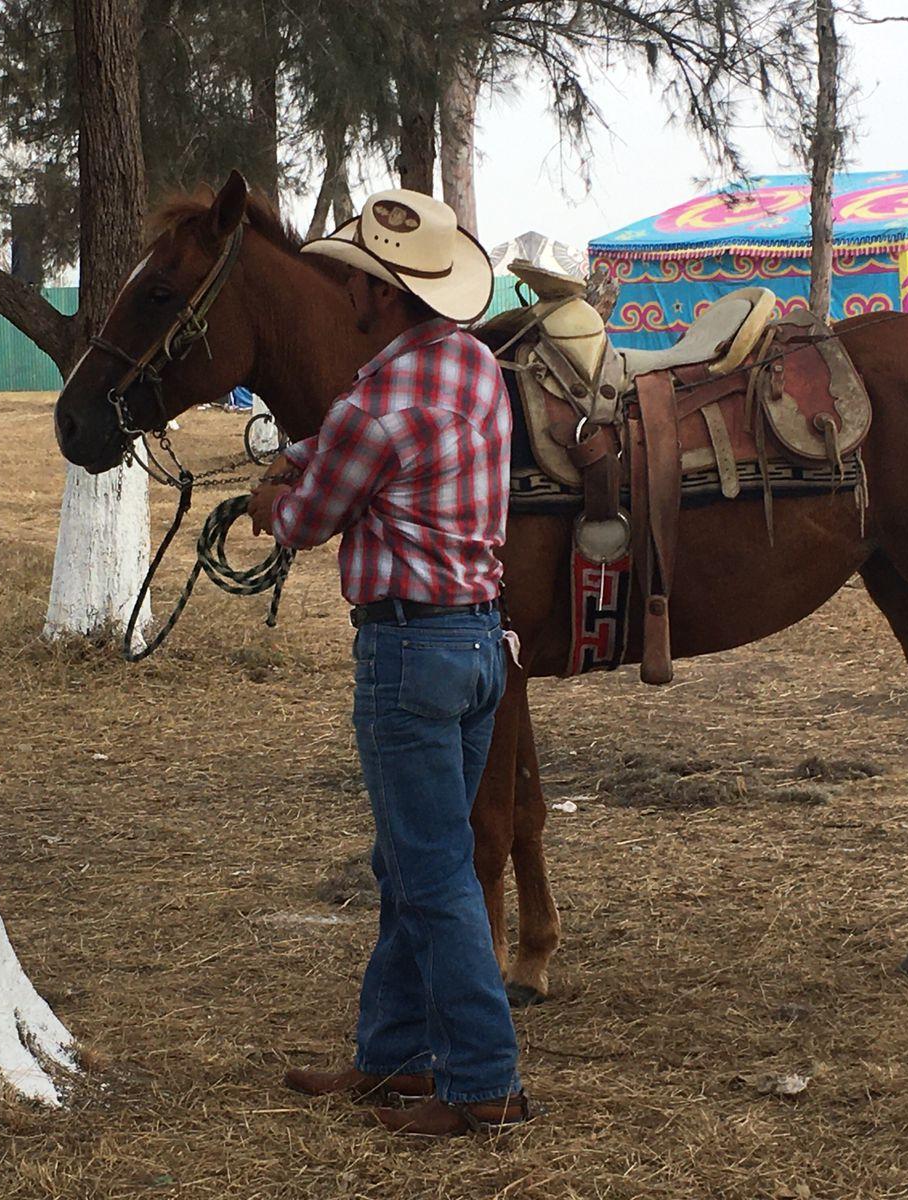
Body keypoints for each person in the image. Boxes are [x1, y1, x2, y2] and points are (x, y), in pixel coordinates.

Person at [247, 189, 528, 1137]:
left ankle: (483, 1079)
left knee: (432, 869)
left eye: (360, 278)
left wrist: (265, 499)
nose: (350, 290)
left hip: (407, 650)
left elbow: (308, 519)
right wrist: (306, 454)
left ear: (382, 293)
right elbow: (356, 452)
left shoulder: (372, 405)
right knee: (410, 857)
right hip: (481, 642)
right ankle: (395, 1055)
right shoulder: (478, 369)